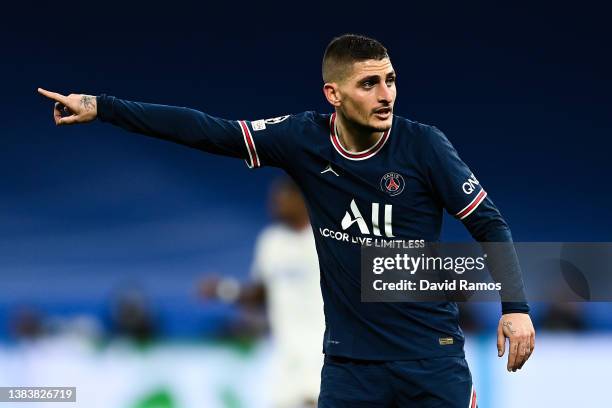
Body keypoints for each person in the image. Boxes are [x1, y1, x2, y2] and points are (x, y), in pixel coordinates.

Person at [38, 33, 535, 407]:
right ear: (334, 95)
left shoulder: (424, 145)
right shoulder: (303, 139)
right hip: (350, 366)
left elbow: (491, 225)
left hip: (431, 360)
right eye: (369, 84)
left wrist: (515, 307)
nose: (386, 95)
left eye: (391, 80)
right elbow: (209, 131)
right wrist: (104, 107)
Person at [199, 178, 324, 408]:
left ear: (301, 199)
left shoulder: (327, 237)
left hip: (324, 349)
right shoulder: (271, 241)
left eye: (281, 199)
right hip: (285, 350)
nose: (274, 205)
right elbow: (261, 294)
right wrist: (223, 290)